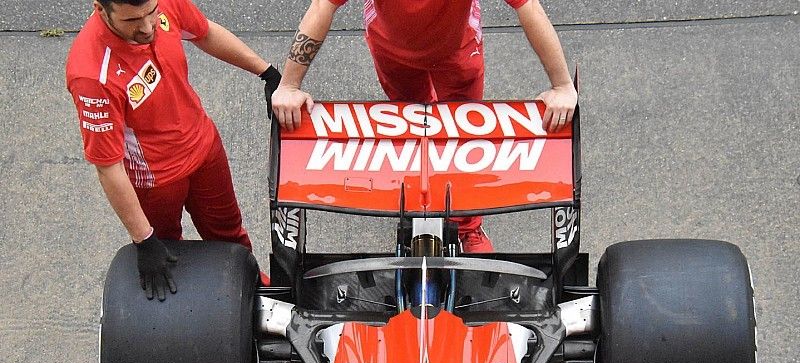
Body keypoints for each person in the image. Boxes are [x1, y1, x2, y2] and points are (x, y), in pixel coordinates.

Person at [271, 0, 578, 253]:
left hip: (457, 51)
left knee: (464, 133)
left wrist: (563, 85)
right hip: (393, 52)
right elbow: (323, 5)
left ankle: (468, 228)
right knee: (408, 127)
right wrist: (289, 85)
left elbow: (529, 7)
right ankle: (414, 204)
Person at [66, 0, 281, 300]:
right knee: (168, 256)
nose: (146, 27)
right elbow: (108, 166)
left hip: (205, 150)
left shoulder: (164, 3)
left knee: (232, 239)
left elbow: (204, 32)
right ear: (101, 10)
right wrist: (143, 240)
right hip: (157, 181)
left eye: (150, 13)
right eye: (131, 21)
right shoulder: (91, 74)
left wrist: (266, 72)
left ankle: (256, 294)